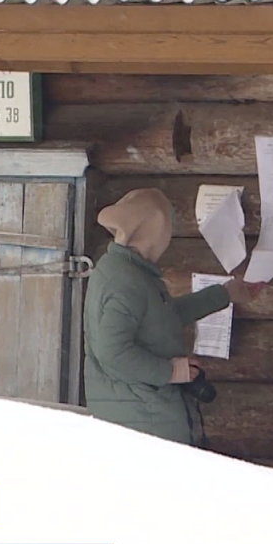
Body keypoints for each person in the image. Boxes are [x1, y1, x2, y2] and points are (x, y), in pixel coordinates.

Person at [83, 188, 258, 445]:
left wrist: (225, 294)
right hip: (141, 422)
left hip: (143, 415)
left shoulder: (126, 271)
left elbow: (162, 318)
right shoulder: (125, 282)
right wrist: (172, 371)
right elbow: (113, 352)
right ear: (154, 231)